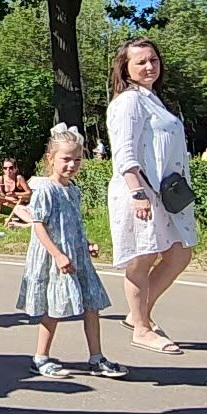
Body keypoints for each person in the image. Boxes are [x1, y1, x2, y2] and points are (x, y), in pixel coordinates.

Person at [107, 37, 198, 356]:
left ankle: (137, 314)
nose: (149, 66)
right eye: (141, 62)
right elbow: (124, 153)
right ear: (126, 68)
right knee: (142, 257)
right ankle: (142, 330)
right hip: (139, 192)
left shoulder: (154, 100)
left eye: (153, 60)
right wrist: (138, 193)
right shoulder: (128, 102)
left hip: (165, 193)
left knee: (179, 254)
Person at [19, 125, 126, 379]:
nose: (72, 165)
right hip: (56, 258)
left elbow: (73, 223)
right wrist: (57, 254)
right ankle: (40, 357)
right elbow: (39, 226)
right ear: (51, 159)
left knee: (91, 304)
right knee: (54, 307)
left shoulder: (73, 189)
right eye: (66, 159)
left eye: (77, 159)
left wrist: (86, 243)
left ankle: (96, 357)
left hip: (77, 256)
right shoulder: (46, 190)